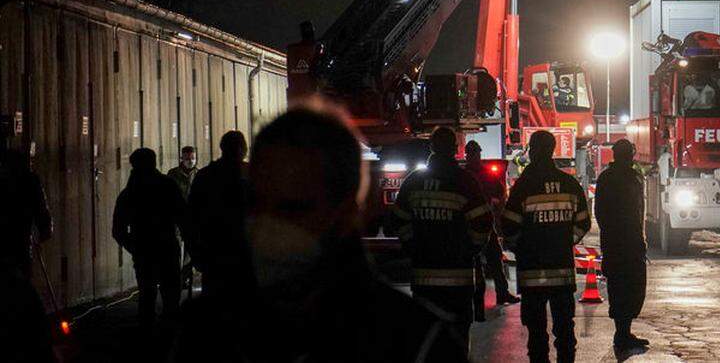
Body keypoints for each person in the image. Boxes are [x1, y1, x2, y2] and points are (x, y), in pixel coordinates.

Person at [174, 106, 466, 362]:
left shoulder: (415, 344)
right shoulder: (204, 331)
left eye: (294, 206)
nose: (270, 223)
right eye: (258, 202)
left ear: (347, 211)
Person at [394, 128, 492, 350]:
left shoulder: (414, 181)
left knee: (427, 340)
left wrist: (413, 248)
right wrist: (470, 250)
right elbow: (483, 224)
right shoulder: (465, 181)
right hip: (459, 278)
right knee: (457, 340)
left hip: (423, 278)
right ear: (455, 149)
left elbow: (399, 221)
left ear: (432, 147)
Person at [502, 130, 591, 363]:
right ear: (552, 150)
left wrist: (521, 247)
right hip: (562, 272)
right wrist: (563, 242)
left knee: (536, 331)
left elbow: (509, 227)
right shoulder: (569, 184)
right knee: (564, 330)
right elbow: (583, 223)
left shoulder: (524, 186)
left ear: (532, 150)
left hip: (531, 273)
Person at [113, 147, 189, 330]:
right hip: (168, 247)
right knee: (171, 297)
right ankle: (170, 338)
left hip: (144, 250)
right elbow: (184, 217)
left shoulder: (129, 193)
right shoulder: (168, 186)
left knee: (147, 297)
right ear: (154, 163)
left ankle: (147, 340)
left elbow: (118, 230)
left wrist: (135, 247)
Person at [593, 138, 650, 352]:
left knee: (622, 287)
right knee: (629, 286)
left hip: (618, 242)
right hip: (626, 242)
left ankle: (624, 331)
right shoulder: (628, 178)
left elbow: (600, 212)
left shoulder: (608, 178)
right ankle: (622, 333)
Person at [188, 130, 251, 300]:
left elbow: (192, 215)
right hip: (246, 250)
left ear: (222, 148)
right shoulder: (253, 174)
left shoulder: (205, 176)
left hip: (214, 249)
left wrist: (194, 250)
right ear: (243, 149)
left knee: (216, 300)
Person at [462, 139, 520, 313]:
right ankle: (480, 297)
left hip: (484, 224)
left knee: (494, 258)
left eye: (476, 153)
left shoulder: (476, 174)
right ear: (468, 155)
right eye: (472, 154)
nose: (475, 157)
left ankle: (501, 293)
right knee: (479, 262)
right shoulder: (465, 175)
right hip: (474, 225)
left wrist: (497, 205)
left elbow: (500, 193)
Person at [0, 147, 53, 279]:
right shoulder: (30, 180)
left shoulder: (4, 179)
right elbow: (42, 211)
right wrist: (44, 232)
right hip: (21, 242)